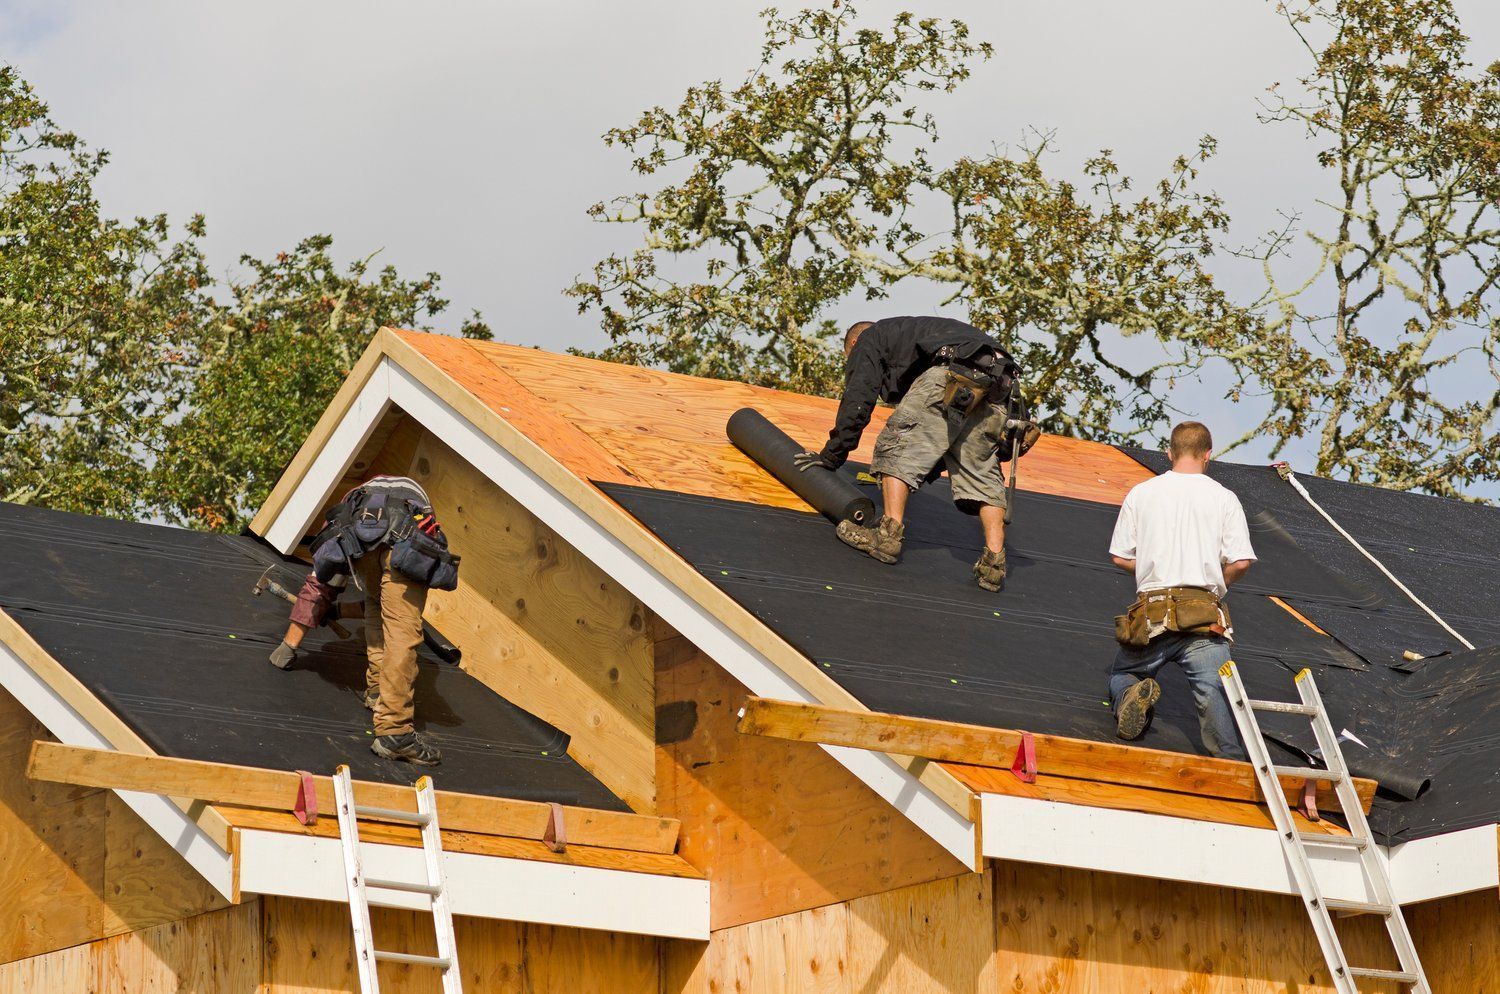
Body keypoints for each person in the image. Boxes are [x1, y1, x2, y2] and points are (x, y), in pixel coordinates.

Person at [794, 316, 1038, 591]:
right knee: (982, 472)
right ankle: (994, 565)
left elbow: (859, 398)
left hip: (955, 374)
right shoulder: (921, 334)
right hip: (1001, 390)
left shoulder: (870, 338)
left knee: (897, 445)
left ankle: (887, 536)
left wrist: (832, 456)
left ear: (853, 343)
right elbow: (940, 439)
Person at [269, 475, 459, 766]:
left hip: (368, 548)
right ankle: (394, 730)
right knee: (401, 632)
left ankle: (376, 691)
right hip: (407, 542)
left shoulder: (350, 514)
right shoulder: (411, 503)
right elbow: (393, 610)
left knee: (374, 602)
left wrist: (289, 646)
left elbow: (319, 585)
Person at [1106, 422, 1255, 760]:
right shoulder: (1224, 498)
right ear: (1208, 454)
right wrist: (1218, 584)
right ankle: (1229, 761)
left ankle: (1131, 693)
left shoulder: (1142, 493)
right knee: (1213, 691)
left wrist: (1149, 569)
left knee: (1123, 672)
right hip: (1203, 612)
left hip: (1152, 610)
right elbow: (1242, 562)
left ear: (1169, 453)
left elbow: (1119, 555)